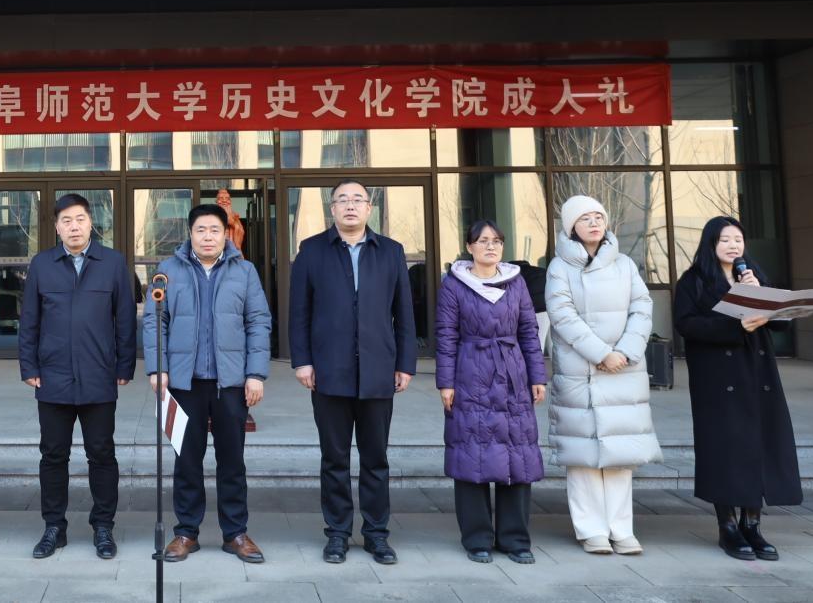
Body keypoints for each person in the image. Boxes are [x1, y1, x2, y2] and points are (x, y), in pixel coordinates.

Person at [288, 179, 417, 565]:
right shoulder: (312, 250)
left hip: (379, 371)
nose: (350, 206)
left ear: (368, 207)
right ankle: (338, 534)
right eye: (342, 200)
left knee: (376, 459)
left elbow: (405, 313)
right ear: (332, 208)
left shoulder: (391, 251)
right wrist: (302, 360)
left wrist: (405, 363)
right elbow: (299, 312)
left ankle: (377, 534)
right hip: (329, 371)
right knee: (335, 459)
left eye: (357, 199)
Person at [143, 203, 271, 564]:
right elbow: (155, 321)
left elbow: (258, 322)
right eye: (201, 230)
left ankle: (235, 533)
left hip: (230, 383)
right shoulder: (168, 270)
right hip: (183, 384)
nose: (208, 236)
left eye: (215, 230)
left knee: (232, 461)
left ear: (225, 233)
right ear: (190, 233)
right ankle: (186, 532)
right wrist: (158, 367)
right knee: (186, 460)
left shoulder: (244, 271)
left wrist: (255, 374)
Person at [674, 215, 801, 561]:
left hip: (758, 374)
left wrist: (763, 298)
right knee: (726, 450)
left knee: (759, 445)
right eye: (725, 240)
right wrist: (736, 325)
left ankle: (753, 525)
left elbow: (781, 324)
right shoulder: (694, 281)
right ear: (711, 244)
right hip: (718, 378)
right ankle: (728, 527)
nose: (733, 246)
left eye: (738, 240)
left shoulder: (752, 276)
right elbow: (686, 324)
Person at [20, 194, 137, 560]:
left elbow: (125, 318)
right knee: (53, 455)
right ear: (57, 227)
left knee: (101, 454)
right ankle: (54, 527)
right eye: (66, 221)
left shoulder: (113, 263)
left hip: (98, 376)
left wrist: (124, 366)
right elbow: (29, 320)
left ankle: (103, 527)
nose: (74, 226)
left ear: (91, 223)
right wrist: (29, 367)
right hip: (52, 377)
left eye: (80, 219)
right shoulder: (42, 264)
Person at [546, 195, 662, 556]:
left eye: (599, 216)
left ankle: (621, 529)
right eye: (585, 218)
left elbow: (642, 308)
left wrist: (624, 351)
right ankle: (591, 529)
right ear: (572, 227)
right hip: (581, 371)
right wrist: (601, 353)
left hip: (623, 370)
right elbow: (562, 315)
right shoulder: (559, 267)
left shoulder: (625, 264)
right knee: (582, 455)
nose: (594, 223)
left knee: (619, 453)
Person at [435, 220, 546, 564]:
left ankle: (515, 540)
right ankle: (477, 538)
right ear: (469, 247)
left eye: (496, 241)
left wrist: (537, 376)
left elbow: (529, 330)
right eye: (483, 241)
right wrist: (446, 383)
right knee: (472, 453)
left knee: (517, 455)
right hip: (470, 373)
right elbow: (446, 335)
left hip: (513, 374)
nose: (490, 246)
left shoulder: (515, 282)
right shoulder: (455, 284)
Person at [216, 188, 246, 252]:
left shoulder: (234, 215)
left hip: (231, 243)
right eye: (221, 198)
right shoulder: (213, 215)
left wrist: (234, 225)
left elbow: (241, 231)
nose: (224, 201)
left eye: (227, 199)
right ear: (217, 201)